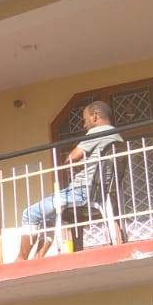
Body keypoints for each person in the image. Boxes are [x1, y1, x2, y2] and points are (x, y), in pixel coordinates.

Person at [17, 100, 122, 259]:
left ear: (95, 117)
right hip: (98, 192)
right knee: (48, 215)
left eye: (85, 120)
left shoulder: (98, 132)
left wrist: (77, 163)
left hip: (80, 192)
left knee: (30, 213)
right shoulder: (116, 137)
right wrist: (86, 162)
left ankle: (21, 259)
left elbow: (70, 159)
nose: (84, 125)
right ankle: (39, 256)